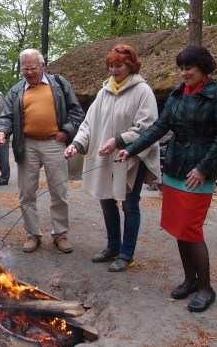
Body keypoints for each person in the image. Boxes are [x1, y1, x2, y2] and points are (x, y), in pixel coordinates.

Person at [117, 46, 217, 312]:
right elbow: (159, 127)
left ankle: (206, 288)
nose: (184, 73)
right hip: (175, 169)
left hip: (198, 172)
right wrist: (131, 149)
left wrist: (204, 168)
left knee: (191, 229)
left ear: (203, 68)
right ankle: (190, 280)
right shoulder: (178, 95)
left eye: (188, 68)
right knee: (179, 229)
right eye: (181, 68)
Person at [64, 44, 160, 271]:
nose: (114, 70)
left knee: (129, 205)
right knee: (106, 200)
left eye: (120, 65)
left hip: (129, 158)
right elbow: (88, 124)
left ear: (131, 65)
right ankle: (112, 247)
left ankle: (126, 254)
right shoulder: (104, 90)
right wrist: (76, 145)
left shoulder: (142, 91)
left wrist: (118, 140)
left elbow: (148, 127)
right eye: (111, 66)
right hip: (104, 158)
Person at [0, 48, 84, 253]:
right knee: (26, 193)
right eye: (24, 68)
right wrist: (2, 132)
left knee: (59, 191)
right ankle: (32, 234)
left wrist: (66, 131)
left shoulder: (60, 85)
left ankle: (60, 234)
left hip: (55, 143)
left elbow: (76, 112)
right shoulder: (17, 90)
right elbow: (6, 117)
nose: (28, 72)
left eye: (32, 68)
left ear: (43, 66)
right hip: (26, 145)